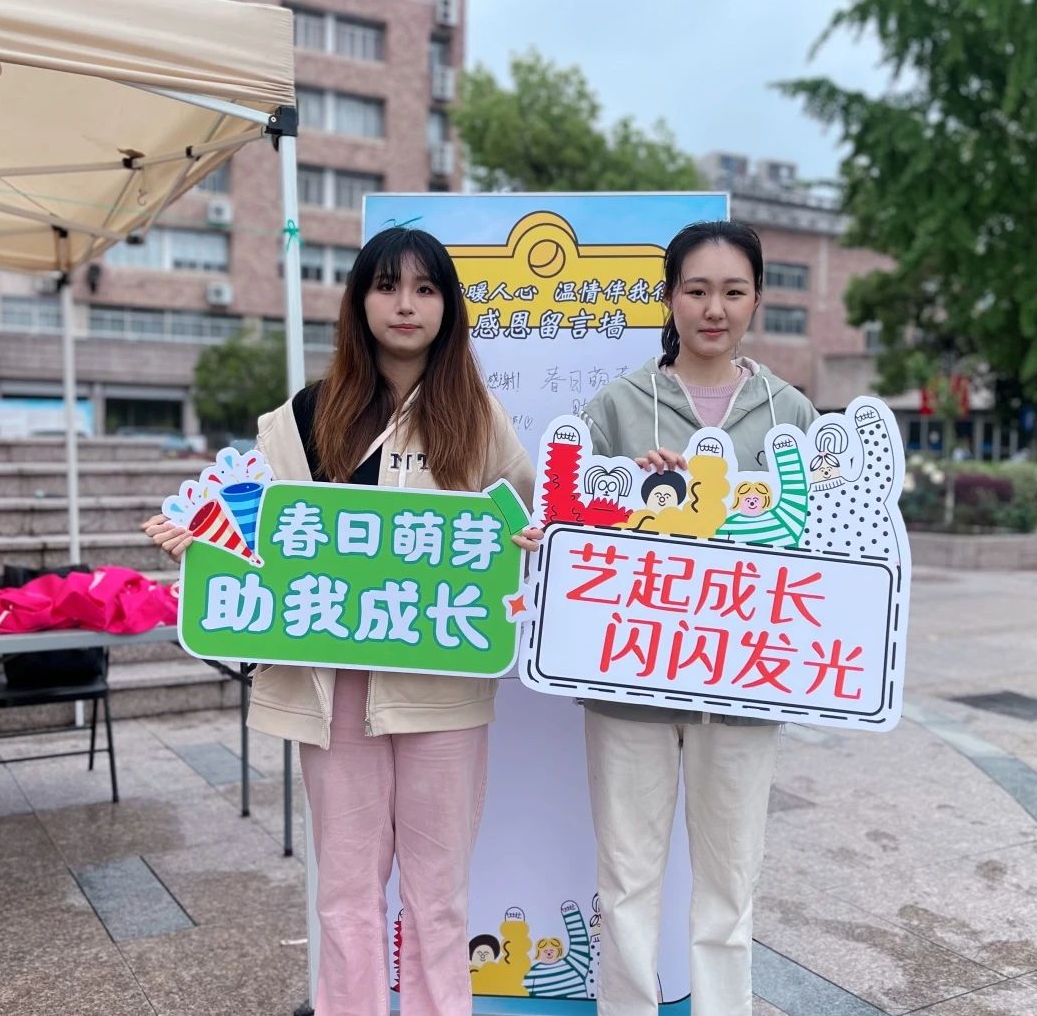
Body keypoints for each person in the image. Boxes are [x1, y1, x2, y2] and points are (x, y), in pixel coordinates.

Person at [144, 226, 539, 1016]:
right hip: (333, 691)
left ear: (448, 307)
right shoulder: (302, 416)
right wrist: (202, 540)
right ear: (359, 300)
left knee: (438, 897)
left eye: (425, 288)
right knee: (346, 893)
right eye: (387, 286)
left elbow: (517, 523)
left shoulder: (480, 417)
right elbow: (259, 537)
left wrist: (528, 536)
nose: (405, 304)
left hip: (442, 688)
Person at [579, 220, 818, 1016]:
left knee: (729, 886)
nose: (714, 308)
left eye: (733, 290)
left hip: (744, 686)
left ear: (757, 298)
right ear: (670, 297)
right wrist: (625, 491)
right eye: (697, 289)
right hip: (629, 681)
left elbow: (819, 547)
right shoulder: (617, 406)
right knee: (626, 881)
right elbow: (573, 523)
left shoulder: (791, 413)